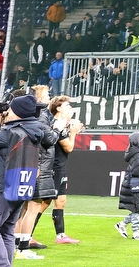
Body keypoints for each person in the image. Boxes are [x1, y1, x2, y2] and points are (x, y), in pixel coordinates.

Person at [0, 94, 56, 267]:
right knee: (6, 230)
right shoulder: (36, 130)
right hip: (23, 187)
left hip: (5, 187)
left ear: (18, 112)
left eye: (11, 109)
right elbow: (51, 140)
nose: (8, 112)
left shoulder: (11, 132)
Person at [13, 87, 68, 258]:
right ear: (37, 99)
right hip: (39, 166)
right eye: (46, 95)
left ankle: (15, 245)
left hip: (29, 164)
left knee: (21, 208)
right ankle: (23, 247)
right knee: (33, 206)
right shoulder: (41, 117)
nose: (49, 98)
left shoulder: (27, 117)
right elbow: (49, 140)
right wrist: (59, 128)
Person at [49, 94, 83, 245]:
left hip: (60, 168)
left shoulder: (62, 124)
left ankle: (61, 236)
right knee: (43, 203)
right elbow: (68, 147)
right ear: (58, 108)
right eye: (67, 106)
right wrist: (73, 133)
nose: (70, 108)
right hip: (55, 168)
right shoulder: (57, 124)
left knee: (61, 201)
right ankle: (26, 236)